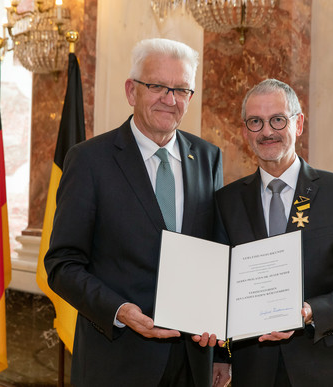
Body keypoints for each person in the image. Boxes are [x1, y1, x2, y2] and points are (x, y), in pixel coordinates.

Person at [44, 38, 226, 386]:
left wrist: (222, 352)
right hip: (117, 359)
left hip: (193, 361)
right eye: (156, 86)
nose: (169, 99)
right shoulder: (89, 161)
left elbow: (216, 254)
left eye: (181, 89)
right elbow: (62, 263)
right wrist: (119, 311)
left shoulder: (208, 157)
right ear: (132, 91)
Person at [215, 78, 333, 386]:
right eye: (255, 122)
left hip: (331, 368)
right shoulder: (226, 202)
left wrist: (310, 311)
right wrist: (223, 356)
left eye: (277, 119)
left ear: (298, 124)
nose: (267, 131)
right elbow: (222, 291)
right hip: (256, 371)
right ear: (244, 133)